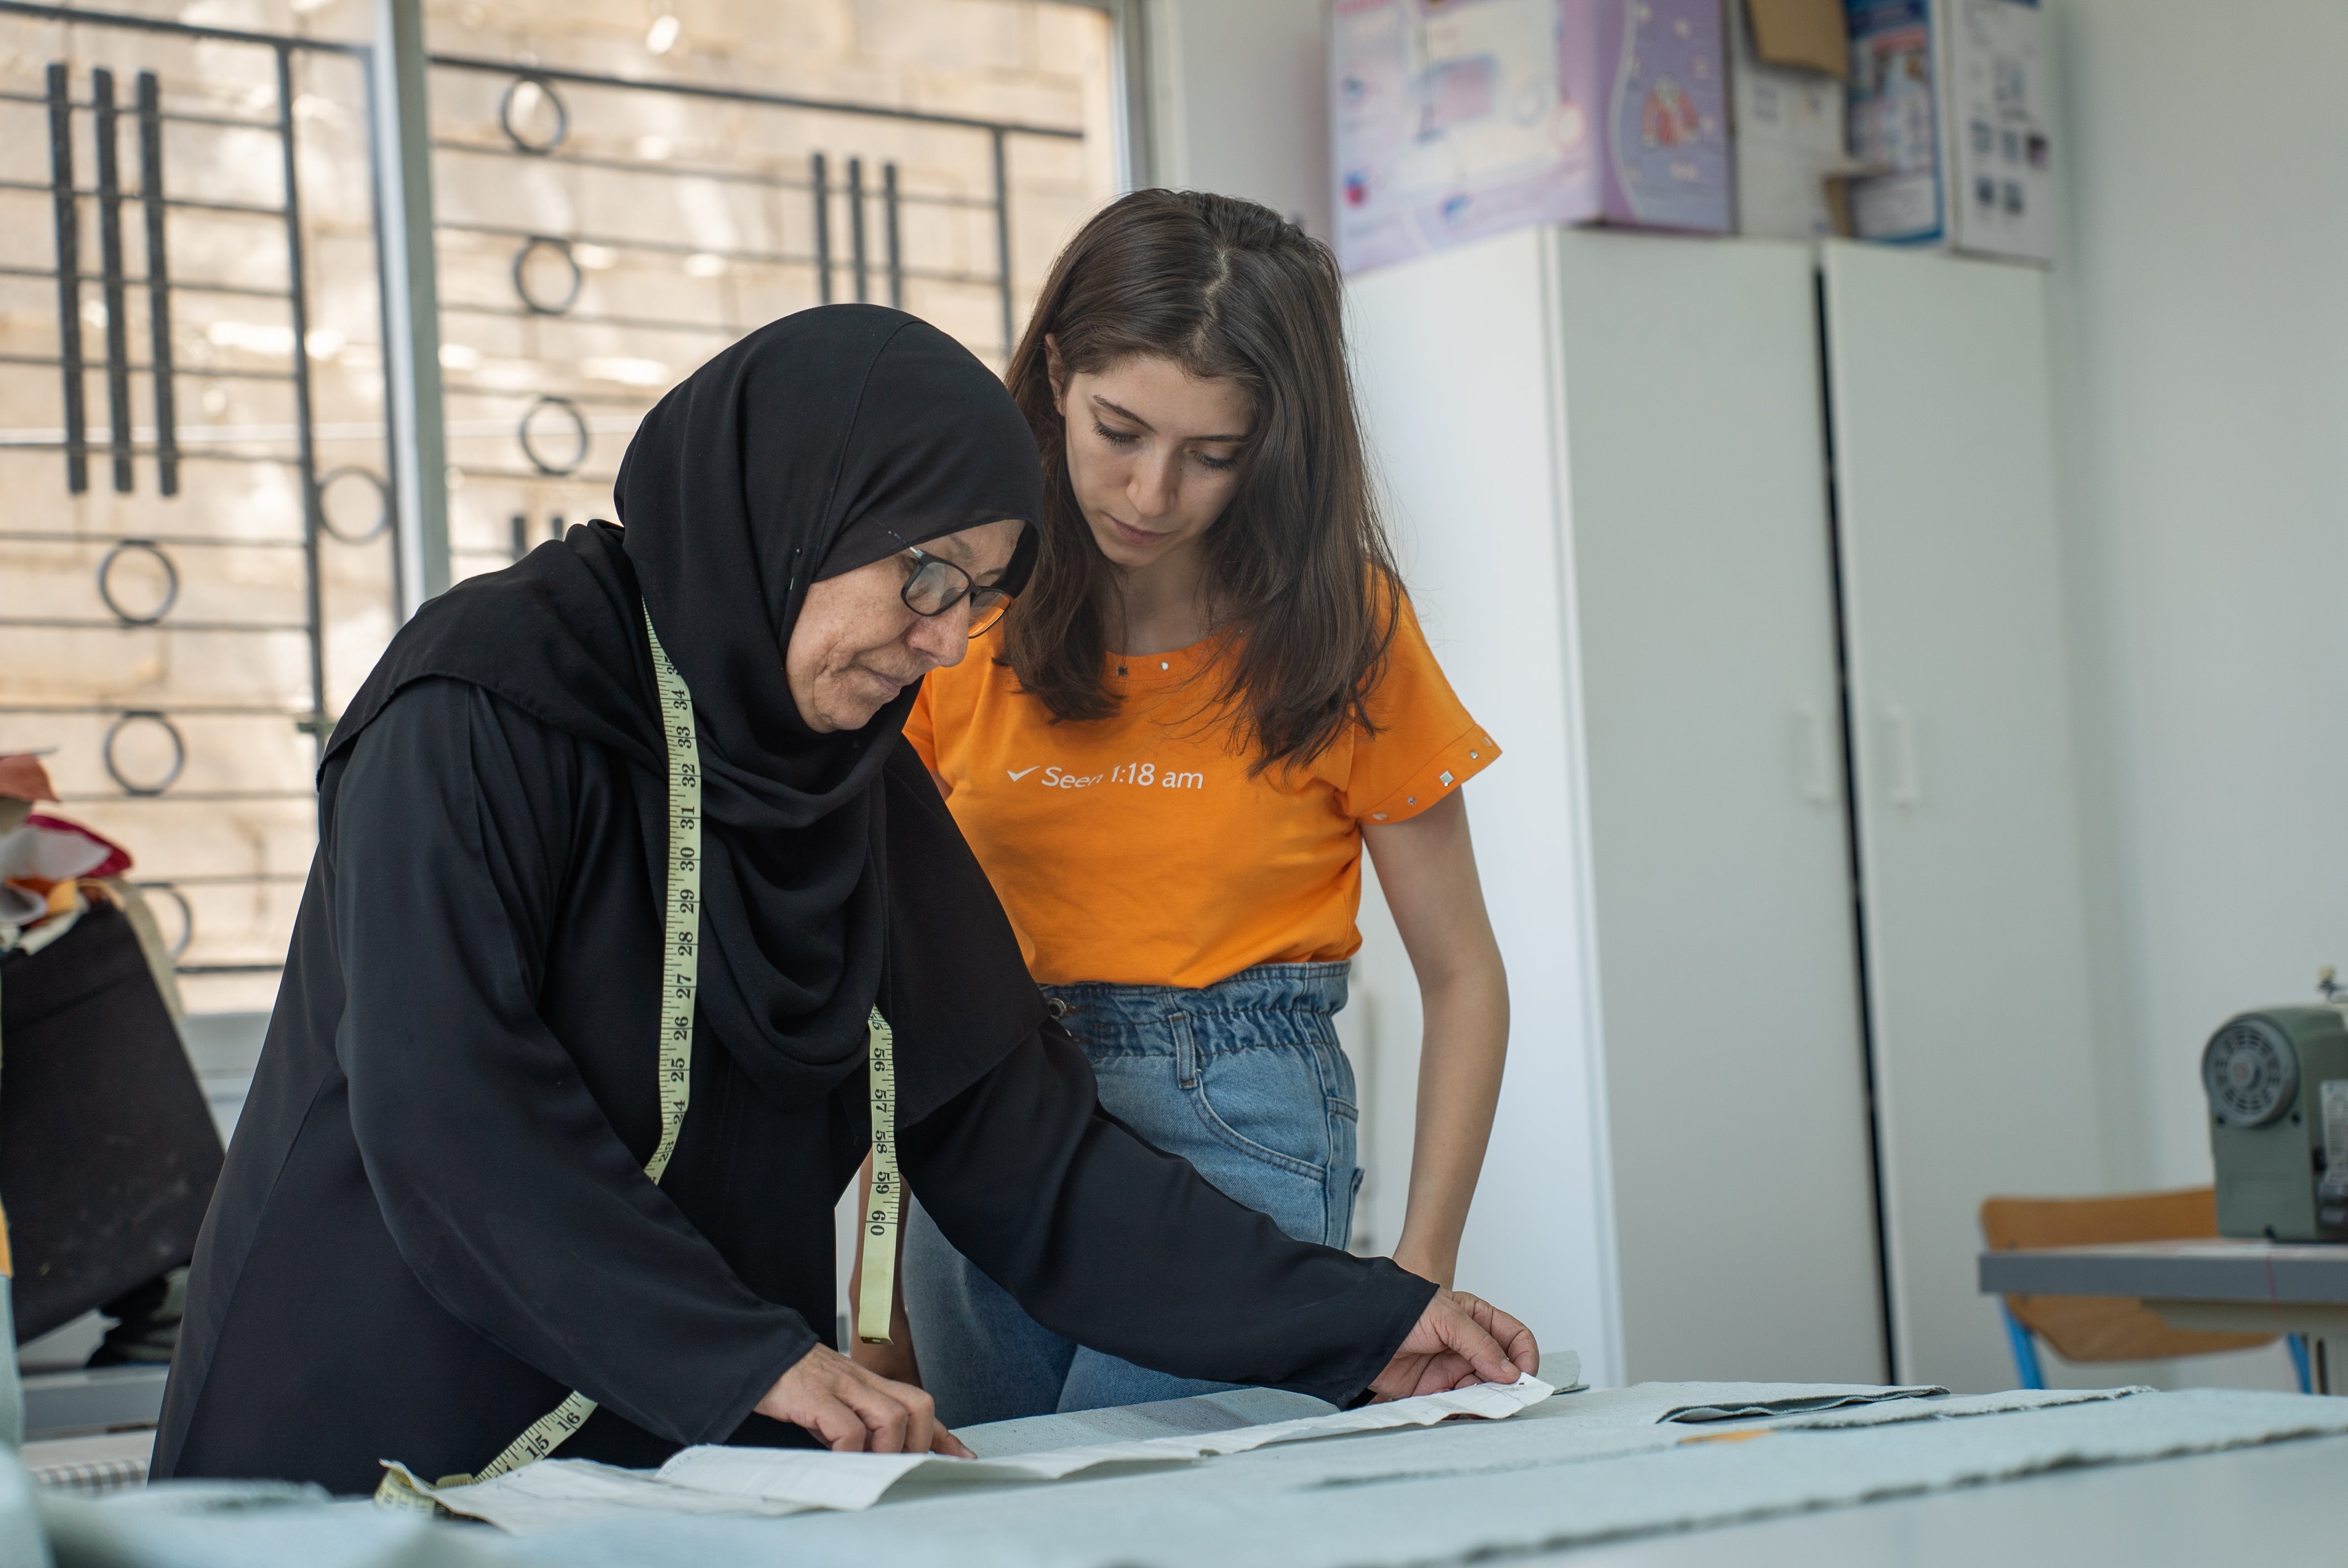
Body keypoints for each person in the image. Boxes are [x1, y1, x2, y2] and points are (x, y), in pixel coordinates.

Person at [151, 306, 1534, 1498]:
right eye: (921, 575)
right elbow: (449, 1112)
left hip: (654, 1447)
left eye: (977, 597)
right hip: (368, 1422)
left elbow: (1027, 1158)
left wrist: (1360, 1324)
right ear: (801, 501)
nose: (942, 639)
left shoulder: (847, 785)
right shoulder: (480, 703)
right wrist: (749, 1356)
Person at [863, 193, 1512, 1426]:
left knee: (1162, 1518)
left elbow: (1464, 977)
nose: (1151, 492)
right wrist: (875, 1312)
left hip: (1237, 1125)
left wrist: (1410, 1282)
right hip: (989, 1124)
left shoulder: (1344, 633)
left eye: (1212, 454)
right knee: (1009, 1525)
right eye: (1119, 430)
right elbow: (885, 983)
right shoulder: (959, 622)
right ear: (1054, 371)